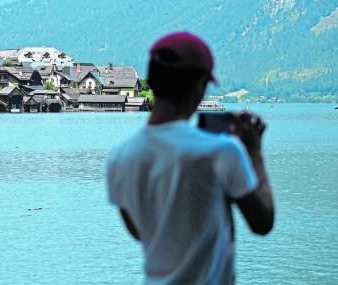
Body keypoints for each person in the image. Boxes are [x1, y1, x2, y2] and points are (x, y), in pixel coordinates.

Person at [107, 32, 274, 284]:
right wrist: (254, 152)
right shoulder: (223, 151)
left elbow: (142, 233)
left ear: (150, 82)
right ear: (200, 87)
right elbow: (263, 222)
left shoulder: (120, 158)